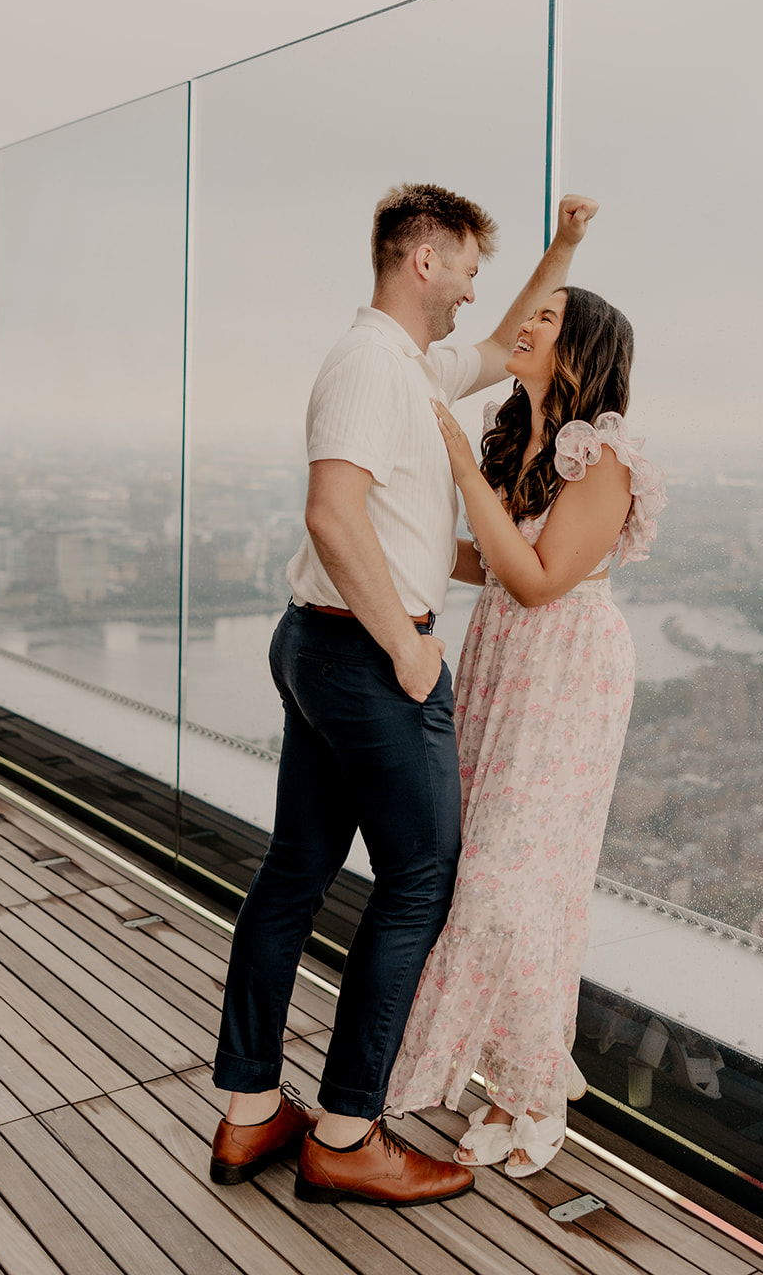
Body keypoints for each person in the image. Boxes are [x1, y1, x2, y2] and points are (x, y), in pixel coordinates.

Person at [210, 182, 600, 1206]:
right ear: (421, 260)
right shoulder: (368, 369)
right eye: (468, 268)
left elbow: (513, 332)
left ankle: (252, 1114)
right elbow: (333, 518)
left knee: (296, 871)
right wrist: (408, 648)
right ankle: (345, 1131)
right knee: (419, 883)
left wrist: (560, 246)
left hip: (325, 649)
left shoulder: (407, 364)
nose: (478, 293)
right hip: (366, 658)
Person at [387, 283, 667, 1177]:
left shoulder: (606, 455)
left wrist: (462, 477)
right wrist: (405, 530)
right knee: (492, 870)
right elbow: (495, 562)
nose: (524, 327)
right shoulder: (523, 438)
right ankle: (529, 1069)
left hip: (567, 671)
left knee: (517, 882)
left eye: (545, 320)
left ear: (580, 347)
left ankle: (533, 1090)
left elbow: (543, 578)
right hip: (507, 658)